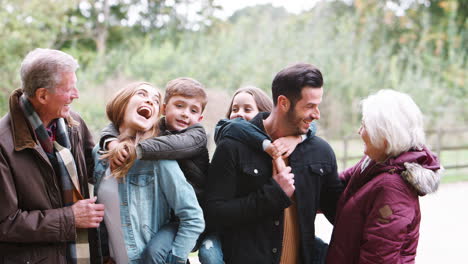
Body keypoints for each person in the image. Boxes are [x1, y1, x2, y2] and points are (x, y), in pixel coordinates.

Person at [205, 63, 344, 264]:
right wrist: (272, 195)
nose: (317, 114)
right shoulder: (233, 147)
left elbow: (341, 215)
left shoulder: (320, 152)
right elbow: (213, 214)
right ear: (284, 103)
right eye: (309, 106)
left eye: (318, 105)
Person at [0, 48, 104, 263]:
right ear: (42, 95)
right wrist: (70, 218)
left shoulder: (75, 124)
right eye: (69, 89)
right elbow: (5, 224)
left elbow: (98, 173)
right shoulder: (3, 143)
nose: (77, 95)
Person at [93, 82, 205, 264]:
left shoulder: (158, 157)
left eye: (155, 99)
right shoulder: (100, 152)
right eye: (142, 94)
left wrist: (175, 260)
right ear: (122, 102)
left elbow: (193, 218)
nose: (150, 101)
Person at [326, 89, 443, 263]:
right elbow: (336, 184)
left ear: (384, 136)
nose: (359, 131)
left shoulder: (392, 189)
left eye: (365, 126)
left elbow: (379, 259)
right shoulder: (375, 163)